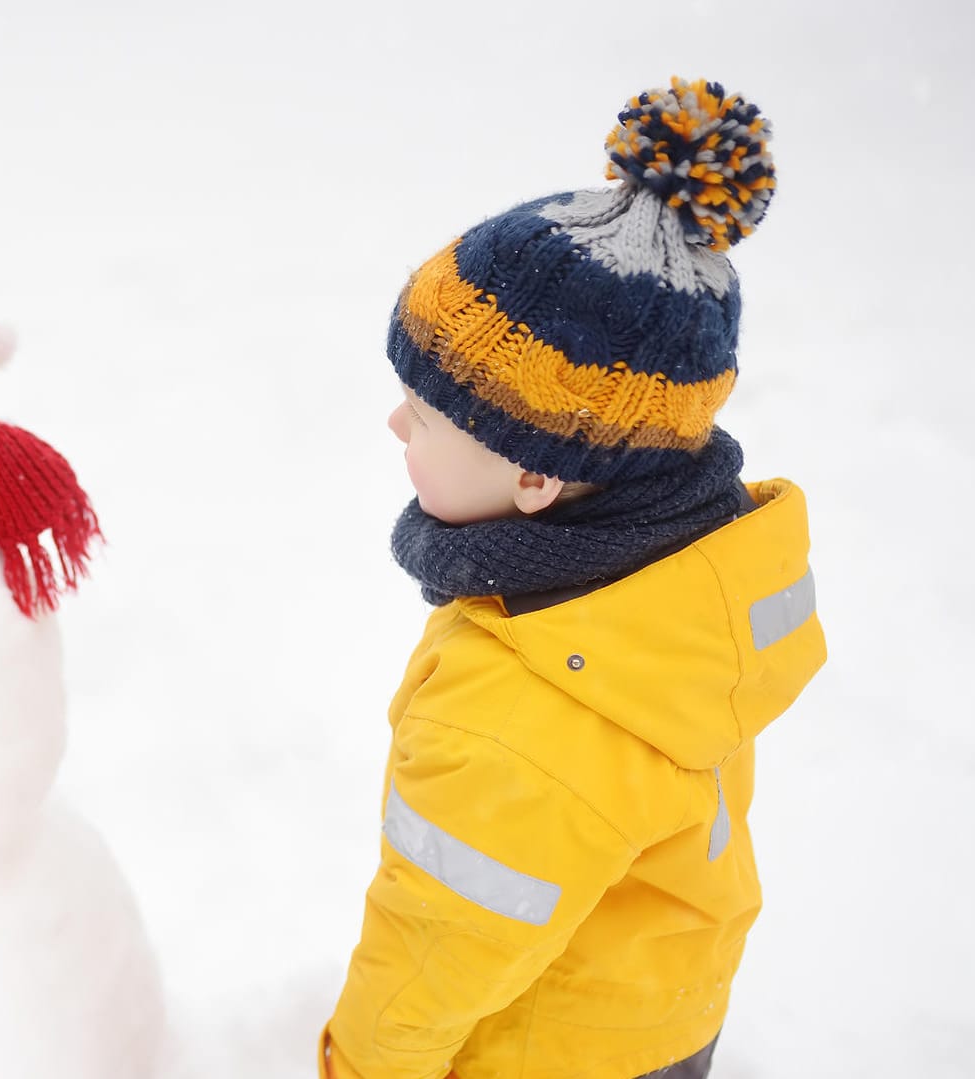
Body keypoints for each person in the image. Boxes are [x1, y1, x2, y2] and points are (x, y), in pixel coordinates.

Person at [321, 79, 827, 1079]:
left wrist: (357, 1065)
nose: (392, 425)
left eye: (423, 413)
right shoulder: (673, 586)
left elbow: (437, 953)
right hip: (652, 1010)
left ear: (533, 474)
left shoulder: (525, 715)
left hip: (540, 1052)